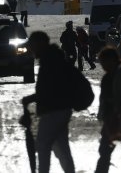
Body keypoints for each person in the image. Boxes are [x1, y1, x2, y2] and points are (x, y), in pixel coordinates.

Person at [22, 31, 77, 173]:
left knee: (43, 145)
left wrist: (31, 99)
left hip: (54, 111)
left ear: (40, 43)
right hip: (59, 109)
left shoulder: (50, 61)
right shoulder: (52, 58)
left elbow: (50, 89)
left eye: (32, 45)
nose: (31, 49)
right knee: (60, 147)